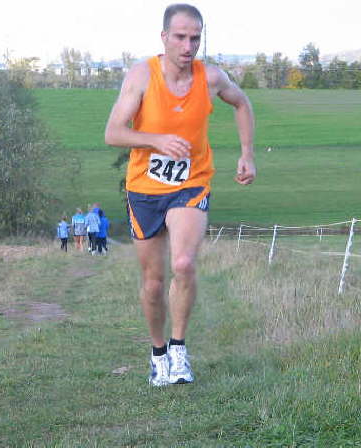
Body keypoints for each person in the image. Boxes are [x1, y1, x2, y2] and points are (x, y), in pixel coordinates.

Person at [105, 3, 256, 386]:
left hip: (191, 182)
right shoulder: (142, 76)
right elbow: (113, 133)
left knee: (184, 264)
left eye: (195, 38)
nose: (188, 46)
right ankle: (158, 353)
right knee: (153, 282)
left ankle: (178, 348)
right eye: (180, 37)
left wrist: (247, 154)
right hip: (144, 188)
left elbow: (242, 103)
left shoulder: (211, 78)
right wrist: (156, 141)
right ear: (164, 37)